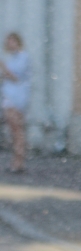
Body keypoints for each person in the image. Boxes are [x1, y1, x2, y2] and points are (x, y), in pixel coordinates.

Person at [1, 32, 31, 173]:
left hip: (17, 98)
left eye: (12, 41)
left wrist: (3, 68)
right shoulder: (10, 58)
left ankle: (19, 160)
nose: (10, 44)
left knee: (17, 129)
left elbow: (16, 77)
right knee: (13, 130)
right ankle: (16, 159)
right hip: (8, 96)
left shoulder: (23, 57)